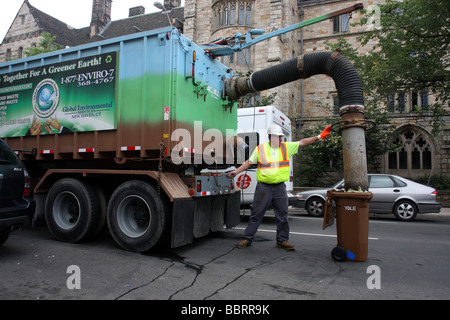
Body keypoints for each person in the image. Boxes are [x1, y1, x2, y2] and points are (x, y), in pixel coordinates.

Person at [228, 124, 332, 250]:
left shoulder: (286, 147)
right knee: (256, 214)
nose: (281, 139)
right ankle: (247, 239)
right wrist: (236, 172)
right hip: (264, 187)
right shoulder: (260, 149)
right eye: (278, 137)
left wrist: (319, 137)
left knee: (283, 215)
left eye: (281, 137)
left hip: (279, 188)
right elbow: (248, 163)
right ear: (271, 137)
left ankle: (282, 241)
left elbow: (303, 142)